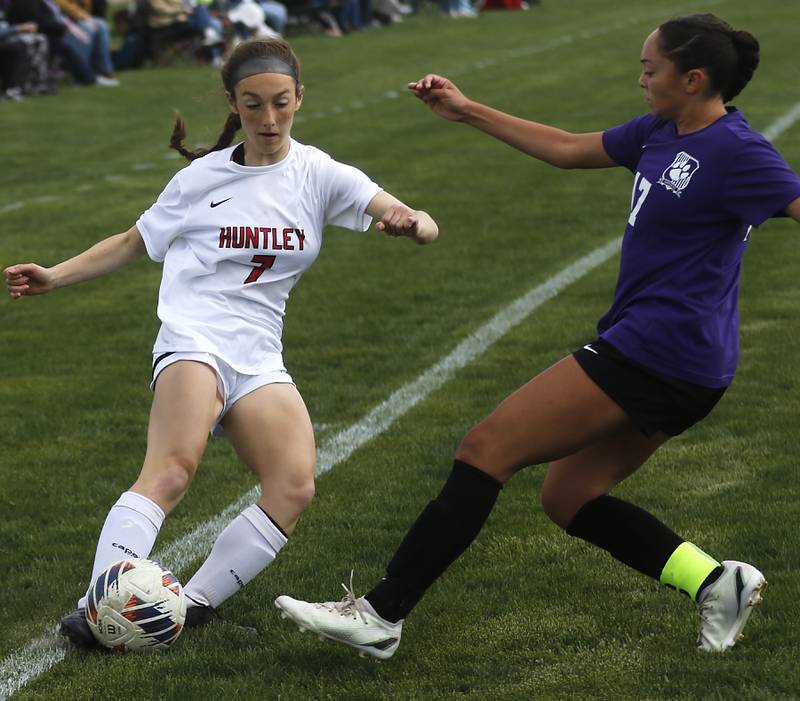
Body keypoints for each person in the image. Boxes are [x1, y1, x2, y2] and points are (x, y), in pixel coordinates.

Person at [274, 13, 800, 659]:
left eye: (650, 68)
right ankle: (717, 581)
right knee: (568, 495)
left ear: (693, 79)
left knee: (485, 448)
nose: (640, 78)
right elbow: (567, 147)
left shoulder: (739, 151)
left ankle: (382, 613)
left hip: (660, 352)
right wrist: (465, 110)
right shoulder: (663, 130)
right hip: (686, 363)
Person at [4, 36, 438, 650]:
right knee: (174, 470)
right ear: (234, 102)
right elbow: (133, 242)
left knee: (293, 484)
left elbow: (420, 220)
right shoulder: (200, 179)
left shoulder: (320, 173)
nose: (268, 119)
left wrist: (412, 223)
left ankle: (192, 605)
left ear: (299, 99)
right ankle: (99, 605)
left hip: (258, 354)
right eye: (254, 104)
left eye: (281, 103)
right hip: (193, 337)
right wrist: (56, 274)